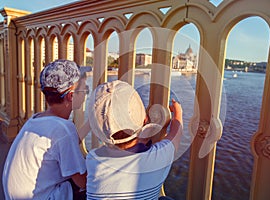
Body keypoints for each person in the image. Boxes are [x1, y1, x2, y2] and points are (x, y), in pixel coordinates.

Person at [2, 59, 91, 200]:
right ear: (71, 96)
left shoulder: (36, 120)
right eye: (84, 88)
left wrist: (90, 122)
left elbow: (66, 143)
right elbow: (84, 182)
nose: (86, 92)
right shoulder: (63, 129)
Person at [86, 80, 183, 199]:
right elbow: (176, 134)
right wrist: (178, 113)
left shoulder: (93, 159)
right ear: (145, 119)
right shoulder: (157, 157)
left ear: (97, 130)